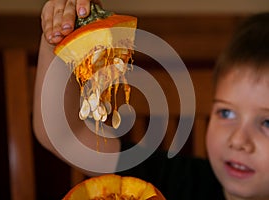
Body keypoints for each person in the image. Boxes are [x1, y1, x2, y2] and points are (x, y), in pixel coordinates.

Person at [34, 1, 269, 199]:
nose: (238, 140)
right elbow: (64, 136)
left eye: (267, 123)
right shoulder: (180, 181)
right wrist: (61, 32)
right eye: (226, 113)